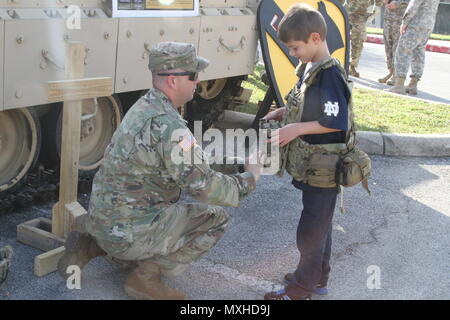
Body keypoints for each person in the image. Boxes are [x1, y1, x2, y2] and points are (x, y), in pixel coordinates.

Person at [57, 42, 264, 300]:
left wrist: (235, 164)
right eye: (193, 75)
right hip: (127, 232)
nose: (198, 82)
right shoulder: (170, 126)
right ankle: (144, 281)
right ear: (174, 81)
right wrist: (249, 178)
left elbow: (190, 160)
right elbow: (205, 188)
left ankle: (89, 246)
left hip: (102, 218)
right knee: (215, 219)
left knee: (142, 215)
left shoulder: (146, 106)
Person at [262, 3, 354, 300]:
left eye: (295, 47)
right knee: (320, 225)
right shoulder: (309, 66)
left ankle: (301, 289)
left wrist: (295, 130)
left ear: (315, 38)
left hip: (323, 168)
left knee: (311, 230)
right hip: (313, 165)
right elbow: (309, 105)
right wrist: (284, 113)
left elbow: (334, 121)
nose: (292, 53)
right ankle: (316, 277)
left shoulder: (330, 75)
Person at [388, 0, 440, 95]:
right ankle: (413, 85)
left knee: (403, 52)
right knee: (419, 54)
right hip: (428, 25)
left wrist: (404, 22)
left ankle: (399, 85)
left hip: (415, 24)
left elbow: (413, 4)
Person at [347, 0, 384, 77]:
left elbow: (379, 2)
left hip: (361, 16)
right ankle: (338, 62)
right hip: (346, 13)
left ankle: (352, 66)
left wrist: (375, 9)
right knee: (340, 39)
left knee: (358, 42)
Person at [378, 0, 410, 84]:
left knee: (397, 47)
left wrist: (397, 3)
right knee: (388, 46)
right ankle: (391, 72)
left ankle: (396, 76)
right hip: (388, 18)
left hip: (400, 19)